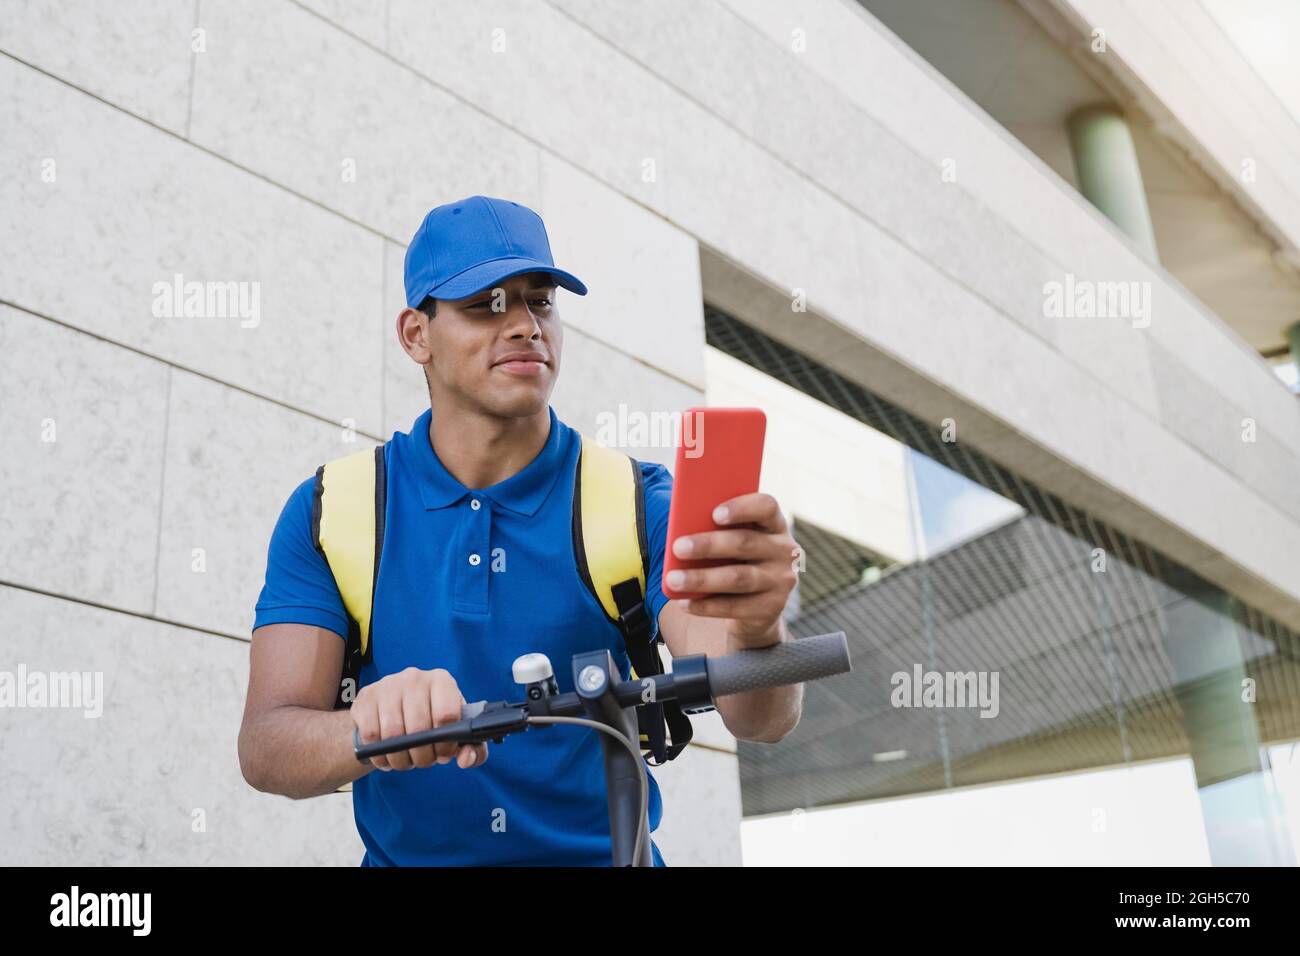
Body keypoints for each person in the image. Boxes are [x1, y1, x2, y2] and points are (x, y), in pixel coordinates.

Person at [238, 195, 803, 865]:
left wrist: (761, 630)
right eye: (486, 305)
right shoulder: (334, 511)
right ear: (416, 334)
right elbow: (267, 748)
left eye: (541, 301)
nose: (526, 326)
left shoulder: (634, 501)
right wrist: (367, 726)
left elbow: (757, 717)